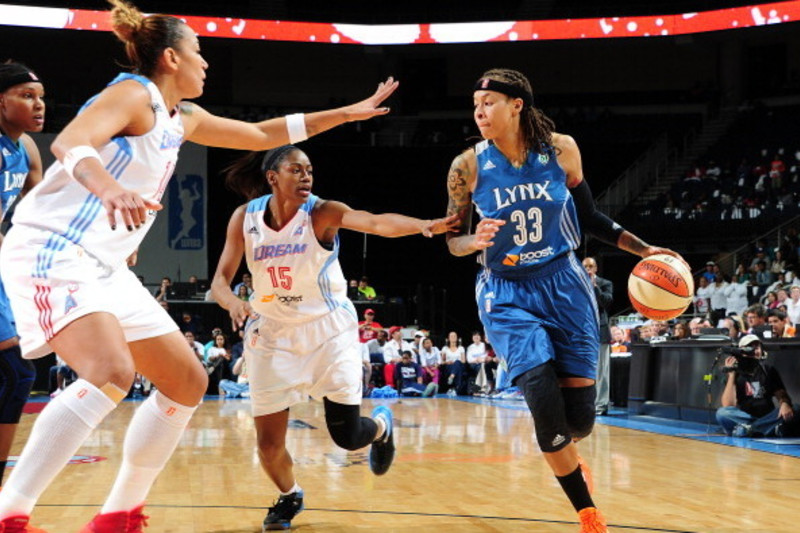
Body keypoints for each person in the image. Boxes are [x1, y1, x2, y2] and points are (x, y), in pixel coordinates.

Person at [0, 0, 399, 529]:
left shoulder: (182, 117)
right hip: (51, 249)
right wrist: (111, 189)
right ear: (170, 58)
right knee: (111, 372)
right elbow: (73, 142)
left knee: (186, 381)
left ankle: (117, 515)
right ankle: (10, 515)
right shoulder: (131, 94)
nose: (206, 62)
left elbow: (262, 136)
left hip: (103, 262)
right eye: (198, 51)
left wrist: (346, 113)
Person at [444, 68, 687, 532]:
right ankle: (587, 511)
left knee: (579, 422)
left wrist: (645, 249)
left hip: (565, 285)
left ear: (517, 105)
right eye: (475, 104)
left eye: (489, 102)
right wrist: (471, 240)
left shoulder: (561, 150)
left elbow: (590, 216)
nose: (479, 111)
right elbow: (451, 242)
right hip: (506, 290)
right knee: (542, 403)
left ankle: (572, 457)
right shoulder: (467, 166)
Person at [210, 144, 457, 530]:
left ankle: (381, 427)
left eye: (309, 169)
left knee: (347, 436)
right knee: (268, 446)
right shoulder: (246, 217)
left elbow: (374, 222)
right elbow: (220, 281)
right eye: (296, 170)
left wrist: (423, 224)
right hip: (273, 334)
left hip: (329, 331)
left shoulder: (321, 212)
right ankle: (291, 496)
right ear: (273, 178)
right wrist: (233, 304)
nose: (307, 176)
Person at [0, 61, 45, 491]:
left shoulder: (27, 149)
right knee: (14, 371)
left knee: (15, 373)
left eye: (41, 97)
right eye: (27, 96)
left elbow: (39, 215)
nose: (38, 104)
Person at [716, 334, 799, 437]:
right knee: (722, 413)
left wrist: (784, 404)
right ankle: (764, 428)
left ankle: (750, 429)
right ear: (741, 351)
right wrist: (732, 375)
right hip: (744, 417)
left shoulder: (768, 370)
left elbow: (781, 394)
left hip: (768, 416)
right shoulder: (734, 372)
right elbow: (728, 405)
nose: (754, 350)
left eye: (757, 347)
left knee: (796, 408)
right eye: (750, 347)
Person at [582, 257, 613, 416]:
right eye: (585, 266)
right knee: (584, 372)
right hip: (582, 332)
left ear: (596, 268)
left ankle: (600, 405)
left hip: (600, 331)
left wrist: (594, 287)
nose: (588, 269)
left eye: (591, 266)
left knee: (601, 372)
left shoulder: (604, 284)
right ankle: (586, 404)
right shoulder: (576, 284)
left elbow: (606, 302)